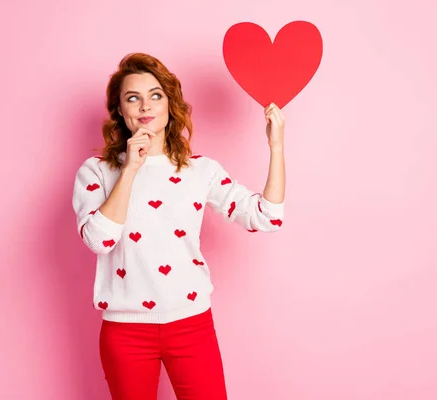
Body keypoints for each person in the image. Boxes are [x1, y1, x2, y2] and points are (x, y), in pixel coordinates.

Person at [71, 52, 286, 400]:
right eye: (132, 97)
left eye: (156, 94)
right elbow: (100, 240)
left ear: (170, 104)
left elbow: (267, 216)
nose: (145, 105)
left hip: (192, 325)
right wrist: (130, 170)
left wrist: (276, 145)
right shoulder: (96, 171)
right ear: (120, 111)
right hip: (125, 332)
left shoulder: (200, 171)